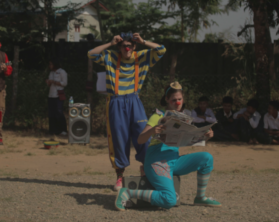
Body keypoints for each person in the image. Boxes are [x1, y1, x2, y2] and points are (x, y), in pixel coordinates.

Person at [115, 82, 221, 211]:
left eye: (180, 99)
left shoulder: (184, 118)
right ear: (167, 100)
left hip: (174, 161)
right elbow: (140, 139)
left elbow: (188, 141)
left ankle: (200, 197)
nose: (177, 102)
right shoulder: (158, 116)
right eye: (174, 100)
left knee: (207, 158)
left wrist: (205, 136)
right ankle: (128, 192)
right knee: (169, 199)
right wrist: (152, 131)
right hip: (157, 163)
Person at [88, 32, 166, 191]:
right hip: (115, 101)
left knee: (144, 133)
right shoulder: (110, 57)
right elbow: (91, 53)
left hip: (134, 100)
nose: (127, 48)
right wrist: (110, 43)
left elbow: (162, 50)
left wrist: (143, 40)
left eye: (130, 45)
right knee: (119, 138)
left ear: (135, 46)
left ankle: (145, 169)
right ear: (119, 47)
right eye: (124, 45)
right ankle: (119, 176)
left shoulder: (142, 56)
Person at [46, 58, 68, 135]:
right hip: (51, 94)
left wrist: (54, 82)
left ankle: (63, 130)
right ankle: (53, 130)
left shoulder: (62, 72)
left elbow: (64, 83)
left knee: (59, 112)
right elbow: (49, 85)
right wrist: (48, 82)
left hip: (59, 94)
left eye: (51, 64)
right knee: (51, 113)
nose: (50, 66)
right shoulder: (51, 73)